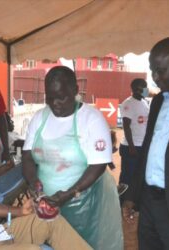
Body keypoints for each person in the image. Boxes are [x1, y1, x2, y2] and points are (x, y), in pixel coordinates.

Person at [22, 66, 123, 250]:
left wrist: (71, 192)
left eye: (61, 97)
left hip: (83, 203)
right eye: (50, 98)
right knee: (49, 242)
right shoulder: (39, 118)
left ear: (75, 90)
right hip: (47, 202)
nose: (55, 104)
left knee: (80, 244)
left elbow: (98, 164)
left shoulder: (91, 119)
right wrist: (33, 182)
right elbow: (27, 156)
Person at [123, 37, 169, 250]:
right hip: (148, 201)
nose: (155, 78)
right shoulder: (157, 102)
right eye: (152, 70)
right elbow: (147, 150)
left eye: (161, 70)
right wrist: (133, 195)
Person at [118, 78, 150, 197]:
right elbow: (126, 126)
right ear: (137, 89)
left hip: (142, 145)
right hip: (130, 147)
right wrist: (131, 146)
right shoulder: (128, 103)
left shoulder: (144, 102)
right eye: (144, 87)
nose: (147, 90)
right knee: (127, 177)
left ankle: (133, 201)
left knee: (139, 176)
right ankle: (121, 201)